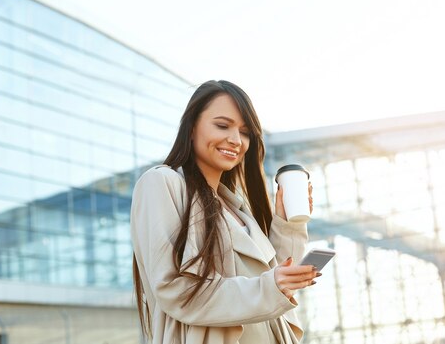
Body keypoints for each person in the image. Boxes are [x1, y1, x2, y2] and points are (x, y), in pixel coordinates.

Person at [130, 80, 318, 344]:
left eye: (245, 132)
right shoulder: (162, 183)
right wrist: (269, 287)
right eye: (222, 125)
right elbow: (174, 290)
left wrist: (288, 225)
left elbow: (279, 281)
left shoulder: (237, 209)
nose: (235, 140)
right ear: (192, 127)